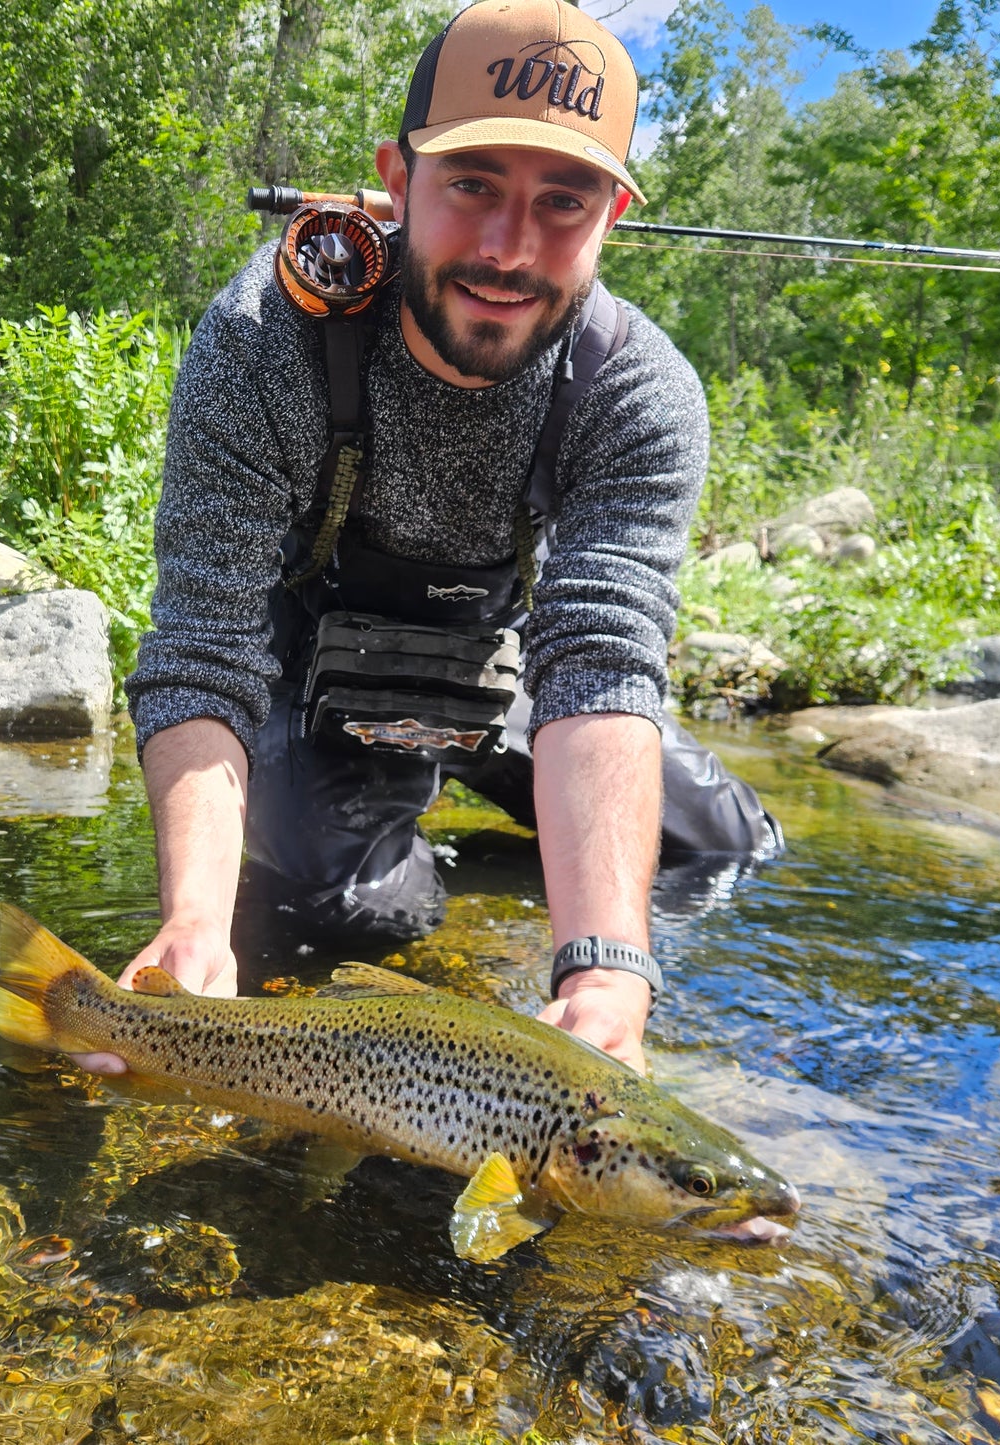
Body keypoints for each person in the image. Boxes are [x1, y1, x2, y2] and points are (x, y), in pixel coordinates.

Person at [79, 0, 780, 1079]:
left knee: (724, 848)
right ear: (396, 181)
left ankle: (500, 853)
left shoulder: (639, 391)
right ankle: (402, 836)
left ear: (614, 213)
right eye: (471, 186)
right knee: (357, 910)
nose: (508, 248)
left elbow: (598, 661)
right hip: (305, 668)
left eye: (561, 200)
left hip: (496, 666)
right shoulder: (261, 341)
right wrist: (193, 927)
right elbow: (203, 654)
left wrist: (601, 970)